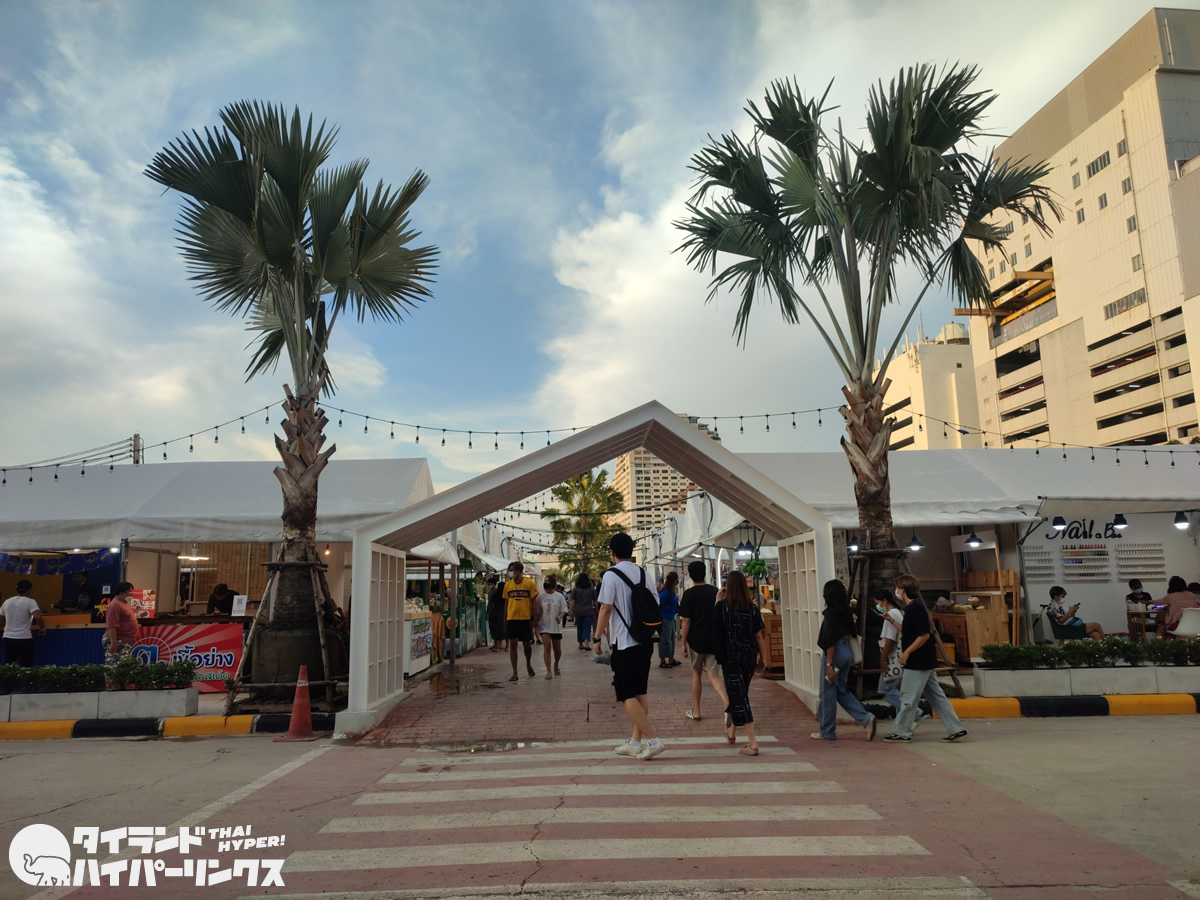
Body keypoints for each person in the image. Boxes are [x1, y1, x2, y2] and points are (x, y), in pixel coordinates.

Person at [593, 532, 666, 761]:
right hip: (645, 639)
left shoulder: (610, 575)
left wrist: (597, 638)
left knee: (625, 693)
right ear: (631, 551)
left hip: (624, 642)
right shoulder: (644, 573)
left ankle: (653, 741)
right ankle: (635, 742)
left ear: (612, 552)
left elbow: (606, 608)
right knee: (640, 691)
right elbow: (655, 602)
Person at [884, 574, 968, 743]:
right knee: (936, 696)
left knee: (908, 697)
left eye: (898, 588)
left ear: (903, 590)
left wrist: (907, 653)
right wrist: (892, 621)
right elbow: (909, 631)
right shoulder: (913, 608)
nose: (896, 591)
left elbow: (923, 635)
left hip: (917, 660)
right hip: (925, 660)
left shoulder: (915, 608)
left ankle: (902, 731)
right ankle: (955, 728)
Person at [813, 579, 876, 741]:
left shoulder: (830, 614)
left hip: (834, 654)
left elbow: (830, 640)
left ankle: (827, 731)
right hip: (846, 651)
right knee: (841, 691)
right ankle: (866, 718)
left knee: (827, 693)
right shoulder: (846, 612)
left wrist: (828, 664)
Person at [714, 571, 767, 755]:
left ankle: (753, 743)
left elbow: (715, 627)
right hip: (749, 657)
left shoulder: (722, 607)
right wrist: (764, 657)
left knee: (740, 697)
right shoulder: (752, 608)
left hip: (730, 657)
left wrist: (717, 600)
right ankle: (731, 732)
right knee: (739, 693)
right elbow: (758, 635)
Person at [679, 559, 729, 722]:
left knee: (696, 673)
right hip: (714, 639)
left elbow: (686, 620)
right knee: (714, 674)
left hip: (696, 641)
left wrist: (683, 642)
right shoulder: (715, 592)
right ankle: (727, 703)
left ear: (690, 575)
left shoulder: (688, 594)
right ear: (705, 573)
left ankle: (697, 711)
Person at [503, 562, 540, 682]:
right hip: (512, 618)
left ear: (519, 571)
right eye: (510, 570)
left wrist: (535, 617)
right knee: (513, 645)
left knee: (526, 644)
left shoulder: (529, 584)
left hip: (525, 618)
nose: (511, 573)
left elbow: (534, 601)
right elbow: (506, 602)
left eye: (513, 570)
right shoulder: (508, 585)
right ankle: (514, 672)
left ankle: (528, 664)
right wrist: (505, 618)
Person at [104, 582, 141, 689]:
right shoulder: (115, 605)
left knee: (122, 668)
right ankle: (113, 688)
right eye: (129, 592)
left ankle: (119, 687)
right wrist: (113, 642)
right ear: (121, 593)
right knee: (114, 667)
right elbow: (112, 625)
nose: (131, 594)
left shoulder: (123, 604)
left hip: (124, 642)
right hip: (118, 641)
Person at [0, 580, 46, 666]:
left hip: (8, 637)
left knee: (9, 665)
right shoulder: (30, 602)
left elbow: (0, 617)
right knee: (26, 665)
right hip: (24, 637)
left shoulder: (7, 601)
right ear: (29, 589)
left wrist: (4, 624)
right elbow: (37, 617)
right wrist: (42, 628)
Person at [537, 575, 567, 678]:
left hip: (556, 626)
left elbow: (564, 610)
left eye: (548, 581)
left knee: (557, 650)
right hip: (544, 626)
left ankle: (556, 664)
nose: (546, 582)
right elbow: (537, 611)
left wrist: (560, 617)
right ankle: (548, 671)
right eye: (545, 581)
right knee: (547, 647)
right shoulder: (540, 597)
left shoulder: (559, 596)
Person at [657, 571, 681, 668]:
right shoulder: (666, 592)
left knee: (671, 639)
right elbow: (659, 603)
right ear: (674, 580)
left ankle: (671, 658)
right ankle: (662, 660)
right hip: (665, 618)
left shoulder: (671, 592)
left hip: (670, 618)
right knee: (665, 639)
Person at [569, 573, 596, 650]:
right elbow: (595, 600)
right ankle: (586, 644)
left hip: (578, 611)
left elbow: (572, 600)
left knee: (580, 627)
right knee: (587, 627)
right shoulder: (591, 589)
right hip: (588, 611)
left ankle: (580, 644)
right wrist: (596, 609)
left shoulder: (575, 589)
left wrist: (571, 609)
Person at [485, 575, 507, 651]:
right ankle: (499, 645)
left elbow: (491, 604)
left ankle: (498, 645)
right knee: (499, 629)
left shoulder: (496, 594)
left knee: (497, 629)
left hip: (496, 613)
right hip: (498, 613)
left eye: (489, 584)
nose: (488, 586)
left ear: (493, 584)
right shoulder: (492, 593)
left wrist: (488, 611)